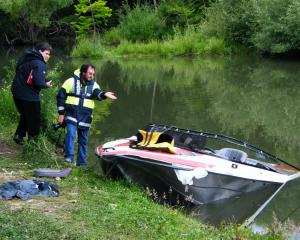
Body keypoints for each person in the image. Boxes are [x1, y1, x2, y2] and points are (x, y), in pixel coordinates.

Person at [56, 64, 117, 166]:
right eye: (90, 73)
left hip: (85, 117)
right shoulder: (70, 81)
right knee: (71, 135)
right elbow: (60, 97)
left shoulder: (94, 84)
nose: (91, 76)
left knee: (83, 141)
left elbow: (97, 93)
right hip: (72, 113)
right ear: (83, 72)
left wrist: (104, 94)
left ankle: (81, 163)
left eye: (93, 74)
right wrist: (61, 114)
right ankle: (68, 158)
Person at [11, 42, 53, 144]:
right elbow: (38, 82)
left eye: (49, 54)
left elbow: (28, 75)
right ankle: (33, 143)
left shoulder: (27, 58)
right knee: (34, 119)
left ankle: (19, 135)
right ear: (40, 51)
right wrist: (45, 85)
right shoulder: (39, 63)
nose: (48, 56)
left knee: (25, 114)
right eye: (46, 53)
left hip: (17, 93)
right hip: (29, 96)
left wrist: (43, 80)